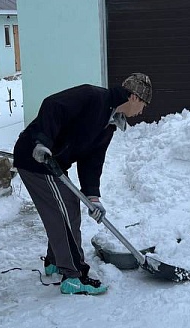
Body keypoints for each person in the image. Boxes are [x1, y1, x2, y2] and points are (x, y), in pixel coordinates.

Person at [12, 73, 152, 295]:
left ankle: (55, 261)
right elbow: (52, 106)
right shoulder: (92, 97)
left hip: (54, 163)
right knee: (66, 211)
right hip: (36, 158)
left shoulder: (109, 124)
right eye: (143, 104)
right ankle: (74, 276)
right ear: (134, 97)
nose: (142, 110)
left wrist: (93, 197)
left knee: (62, 210)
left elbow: (92, 162)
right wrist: (43, 142)